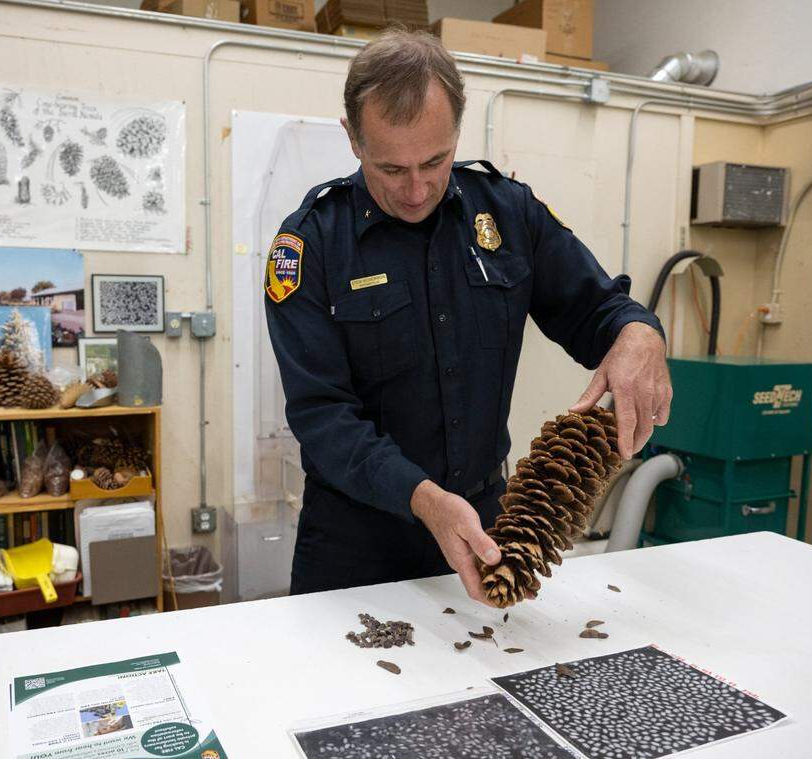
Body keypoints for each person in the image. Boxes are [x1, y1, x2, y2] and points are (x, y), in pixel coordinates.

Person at [264, 30, 671, 605]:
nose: (416, 189)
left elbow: (599, 309)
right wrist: (422, 496)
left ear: (458, 128)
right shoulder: (309, 246)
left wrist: (639, 333)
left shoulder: (509, 213)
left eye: (435, 160)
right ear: (352, 139)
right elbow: (321, 415)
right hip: (356, 546)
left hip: (487, 528)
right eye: (391, 168)